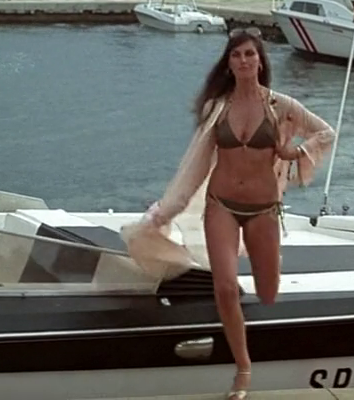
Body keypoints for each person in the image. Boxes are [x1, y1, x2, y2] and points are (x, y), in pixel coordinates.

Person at [135, 27, 336, 399]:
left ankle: (259, 286)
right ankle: (243, 369)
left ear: (260, 61)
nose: (244, 60)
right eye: (236, 55)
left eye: (250, 54)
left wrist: (295, 153)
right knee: (225, 288)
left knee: (268, 291)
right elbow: (196, 165)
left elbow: (326, 133)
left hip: (263, 209)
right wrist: (168, 209)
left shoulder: (282, 106)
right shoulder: (217, 108)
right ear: (228, 64)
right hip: (221, 206)